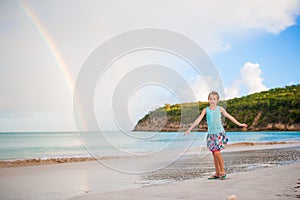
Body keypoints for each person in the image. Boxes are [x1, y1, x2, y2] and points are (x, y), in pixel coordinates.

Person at [184, 91, 248, 180]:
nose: (212, 100)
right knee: (214, 153)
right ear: (208, 99)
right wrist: (190, 129)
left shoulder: (220, 109)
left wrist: (240, 124)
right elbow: (198, 120)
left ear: (217, 100)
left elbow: (230, 117)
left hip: (219, 133)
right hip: (211, 134)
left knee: (217, 152)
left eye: (214, 99)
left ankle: (222, 171)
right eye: (211, 99)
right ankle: (217, 173)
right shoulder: (205, 110)